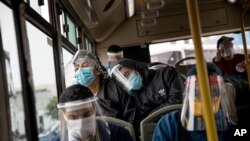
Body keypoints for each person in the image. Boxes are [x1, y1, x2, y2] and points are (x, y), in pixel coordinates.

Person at [152, 63, 238, 141]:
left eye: (212, 93)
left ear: (220, 96)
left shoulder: (231, 129)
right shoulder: (169, 125)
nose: (204, 100)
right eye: (196, 93)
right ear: (188, 94)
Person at [110, 58, 184, 133]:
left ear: (135, 67)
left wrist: (151, 116)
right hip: (156, 131)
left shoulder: (166, 73)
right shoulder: (134, 96)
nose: (128, 81)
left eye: (127, 74)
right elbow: (140, 120)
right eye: (123, 81)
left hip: (179, 123)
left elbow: (176, 101)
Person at [70, 50, 135, 125]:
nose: (80, 70)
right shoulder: (77, 96)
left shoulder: (115, 89)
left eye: (85, 66)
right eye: (77, 68)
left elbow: (131, 118)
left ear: (97, 70)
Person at [57, 84, 133, 141]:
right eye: (73, 117)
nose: (81, 123)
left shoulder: (119, 135)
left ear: (94, 109)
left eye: (87, 114)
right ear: (63, 115)